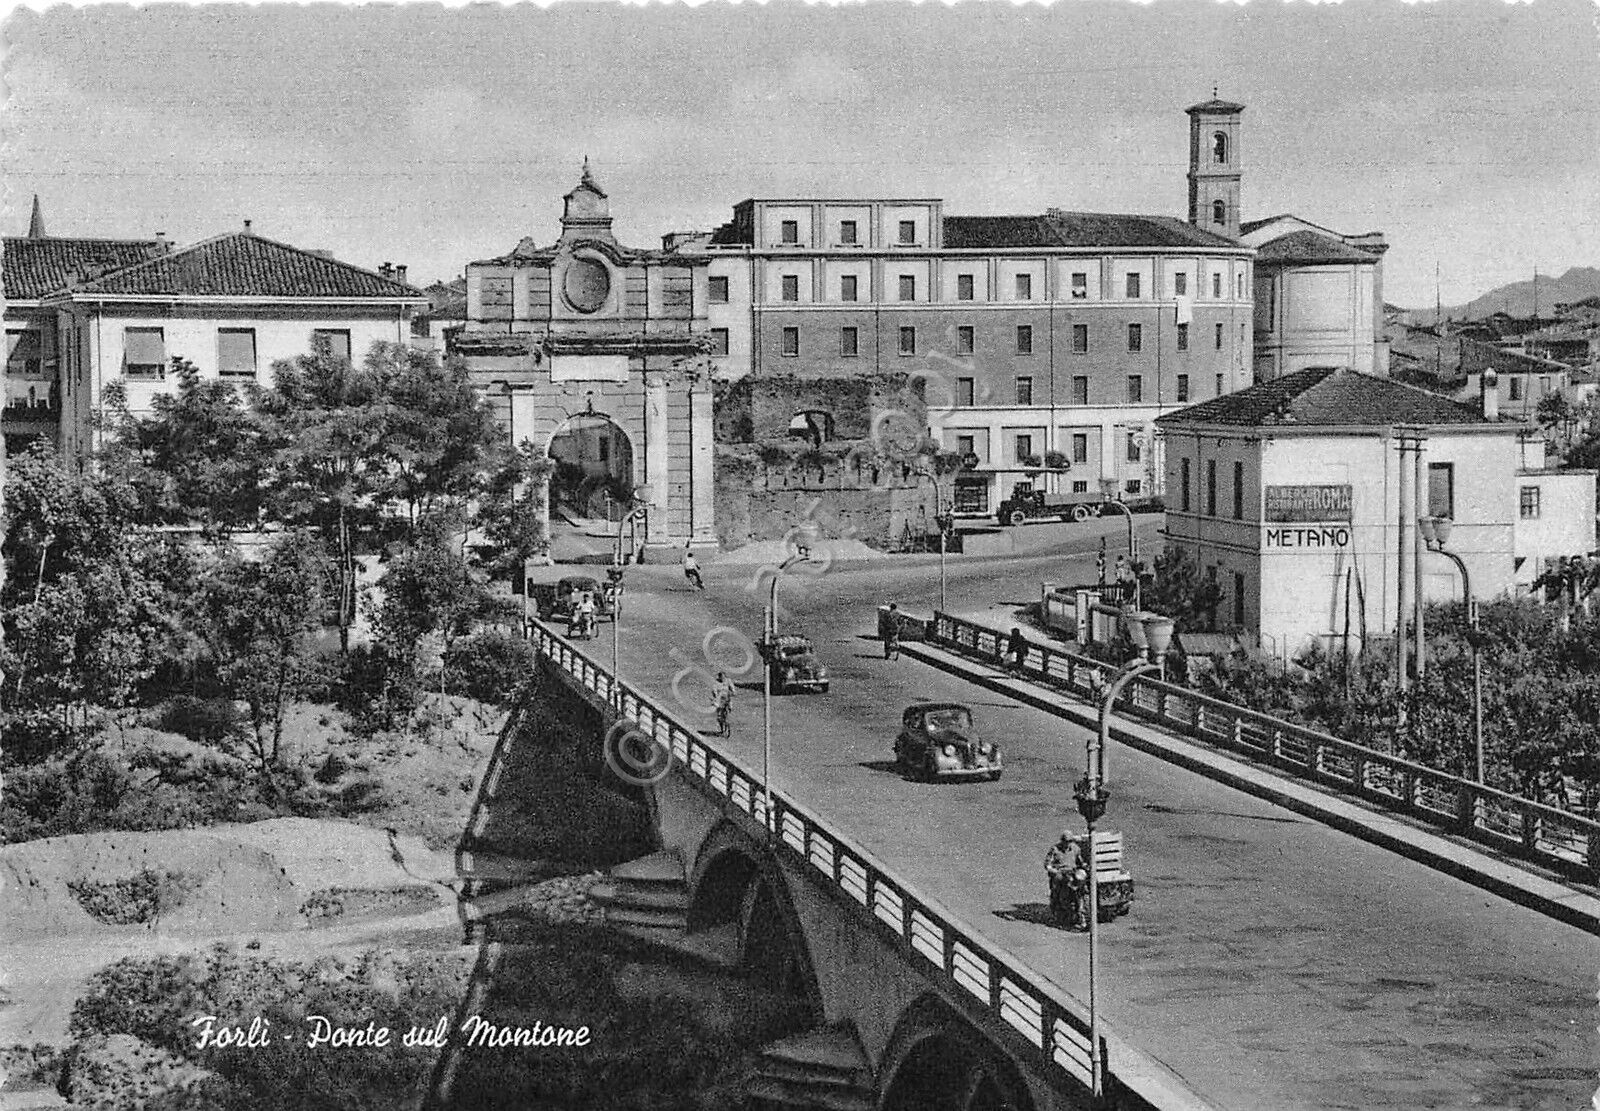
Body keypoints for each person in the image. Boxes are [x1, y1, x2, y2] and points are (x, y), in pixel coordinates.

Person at [710, 671, 735, 737]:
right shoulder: (716, 682)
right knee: (719, 716)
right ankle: (722, 729)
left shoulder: (728, 681)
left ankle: (728, 722)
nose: (722, 679)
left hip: (727, 699)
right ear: (719, 677)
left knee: (728, 710)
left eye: (724, 677)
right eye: (721, 677)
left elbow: (732, 688)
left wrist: (733, 692)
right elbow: (714, 690)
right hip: (719, 700)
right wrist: (715, 695)